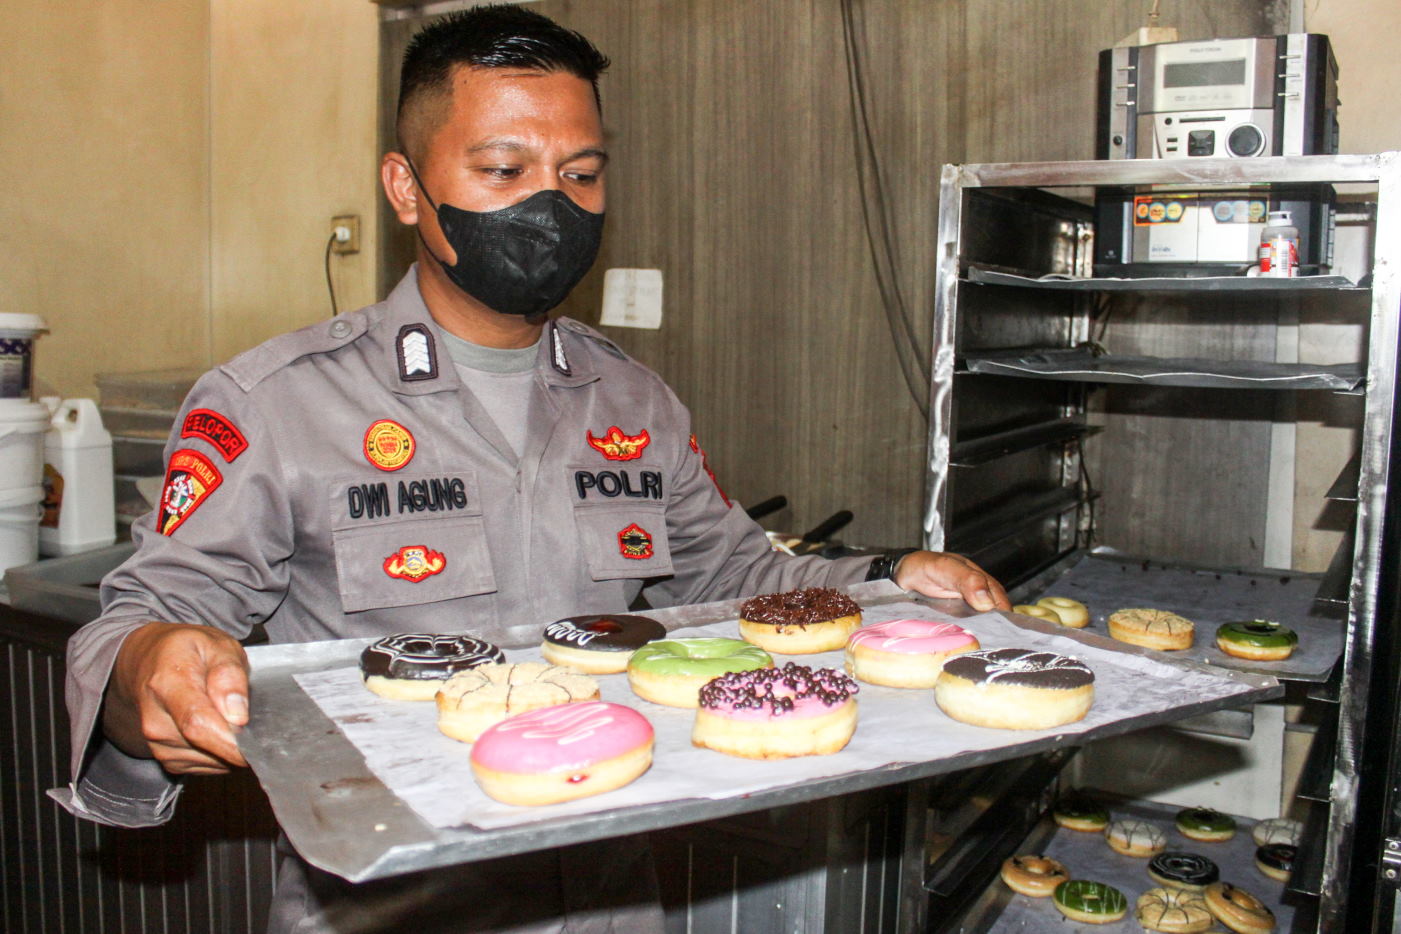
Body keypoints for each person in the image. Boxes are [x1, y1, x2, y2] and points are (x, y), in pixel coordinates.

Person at [56, 6, 1011, 932]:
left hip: (612, 900)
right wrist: (147, 671)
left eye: (581, 174)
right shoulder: (277, 402)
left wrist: (890, 578)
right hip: (391, 910)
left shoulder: (631, 400)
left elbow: (737, 577)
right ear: (405, 188)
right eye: (503, 169)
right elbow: (143, 621)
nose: (550, 205)